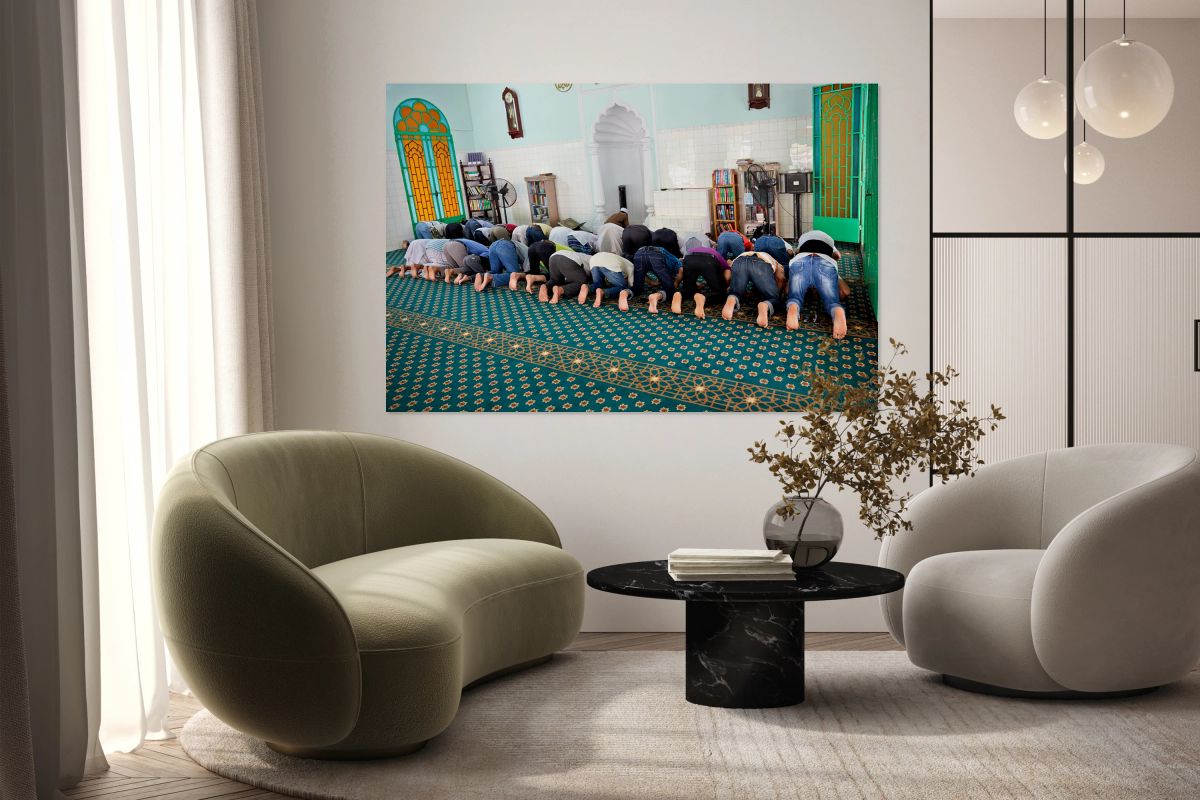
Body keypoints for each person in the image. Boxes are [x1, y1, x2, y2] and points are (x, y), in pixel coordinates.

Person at [785, 229, 848, 338]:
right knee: (832, 302)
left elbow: (796, 252)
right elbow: (838, 256)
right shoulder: (829, 239)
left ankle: (793, 307)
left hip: (800, 260)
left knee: (794, 297)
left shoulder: (803, 238)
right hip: (825, 261)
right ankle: (837, 311)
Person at [722, 250, 785, 328]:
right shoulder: (776, 262)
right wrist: (777, 293)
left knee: (735, 292)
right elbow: (780, 277)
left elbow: (729, 271)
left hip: (739, 261)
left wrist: (730, 286)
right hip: (760, 264)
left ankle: (732, 297)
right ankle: (765, 305)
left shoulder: (745, 253)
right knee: (774, 299)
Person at [624, 243, 682, 313]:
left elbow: (642, 271)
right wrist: (675, 283)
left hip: (639, 253)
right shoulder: (677, 261)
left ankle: (624, 293)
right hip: (655, 254)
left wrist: (651, 282)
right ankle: (656, 296)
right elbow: (681, 270)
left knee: (637, 288)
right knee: (670, 289)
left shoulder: (668, 260)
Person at [673, 248, 729, 318]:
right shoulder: (716, 253)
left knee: (688, 289)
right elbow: (727, 273)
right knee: (721, 293)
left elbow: (681, 270)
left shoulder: (693, 249)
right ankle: (704, 298)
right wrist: (725, 285)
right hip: (708, 260)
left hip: (689, 258)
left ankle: (679, 294)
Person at [479, 227, 521, 291]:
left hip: (493, 246)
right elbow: (528, 269)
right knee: (515, 274)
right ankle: (492, 278)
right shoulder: (528, 253)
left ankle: (481, 276)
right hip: (504, 245)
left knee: (495, 271)